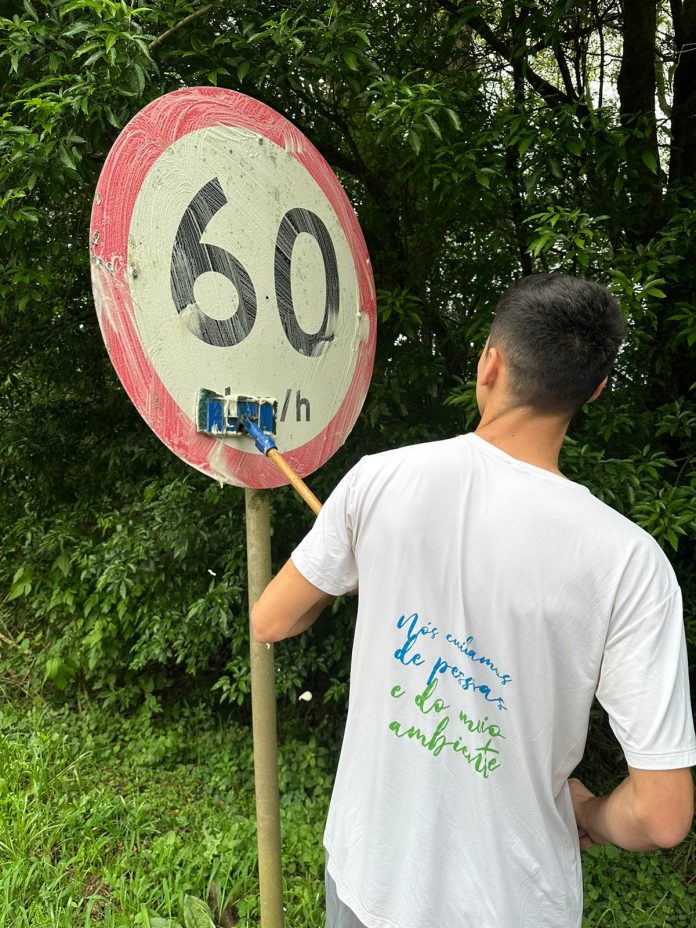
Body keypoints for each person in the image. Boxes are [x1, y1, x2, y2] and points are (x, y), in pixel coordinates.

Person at [252, 274, 696, 928]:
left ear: (490, 363)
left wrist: (354, 576)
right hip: (516, 906)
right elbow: (662, 816)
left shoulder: (380, 481)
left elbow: (272, 618)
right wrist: (592, 813)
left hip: (368, 879)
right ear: (595, 389)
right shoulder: (630, 562)